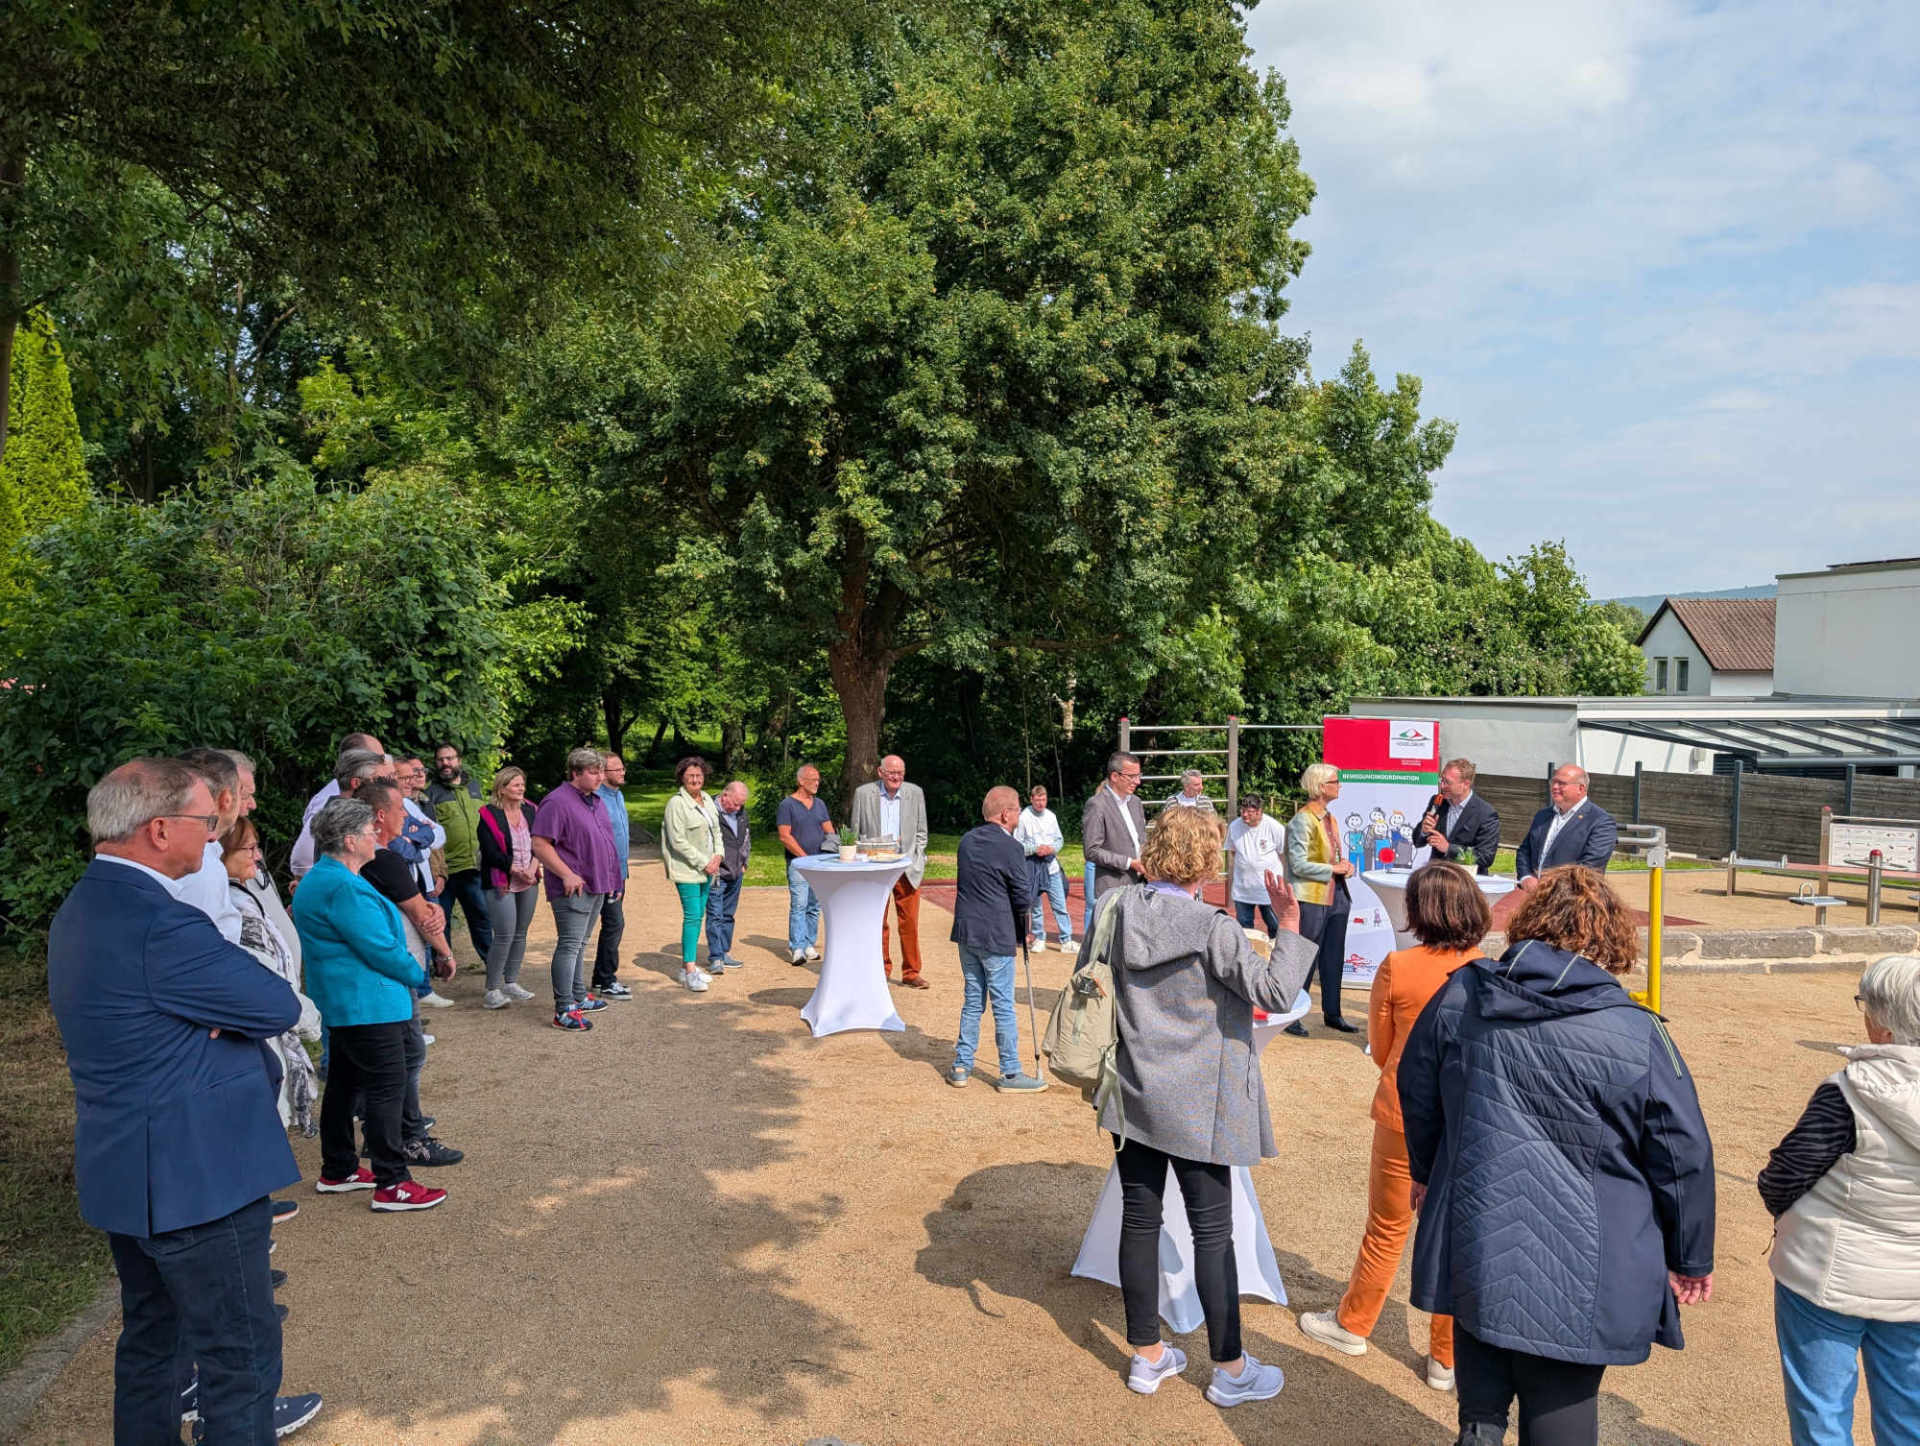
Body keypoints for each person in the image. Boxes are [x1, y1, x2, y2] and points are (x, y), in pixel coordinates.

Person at [48, 760, 325, 1444]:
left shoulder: (85, 906)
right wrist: (233, 1013)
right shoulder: (161, 923)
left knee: (154, 1343)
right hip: (199, 1177)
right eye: (207, 823)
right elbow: (270, 1002)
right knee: (241, 1355)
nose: (214, 838)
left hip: (131, 1170)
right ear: (159, 827)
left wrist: (217, 1013)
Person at [1398, 866, 1715, 1446]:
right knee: (1542, 1422)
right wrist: (1689, 1256)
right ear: (1608, 938)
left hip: (1483, 1236)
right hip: (1580, 1258)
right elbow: (1681, 1152)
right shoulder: (1631, 1032)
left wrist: (1427, 1172)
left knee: (1480, 1417)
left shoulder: (1463, 993)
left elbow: (1418, 1092)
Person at [1097, 805, 1318, 1407]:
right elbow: (1277, 990)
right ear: (1203, 859)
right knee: (1211, 1234)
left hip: (1136, 1088)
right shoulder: (1212, 926)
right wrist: (1291, 926)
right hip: (1201, 1098)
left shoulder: (1116, 910)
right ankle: (1230, 1367)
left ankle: (1146, 1355)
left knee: (1140, 1224)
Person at [1297, 863, 1492, 1389]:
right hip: (1469, 1121)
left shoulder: (1398, 966)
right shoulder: (1489, 971)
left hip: (1404, 1116)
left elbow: (1381, 1050)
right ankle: (1445, 1357)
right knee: (1456, 1233)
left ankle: (1353, 1322)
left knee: (1386, 1227)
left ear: (1419, 912)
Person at [1760, 953, 1920, 1446]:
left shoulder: (1848, 1093)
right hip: (1913, 1286)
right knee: (1908, 1416)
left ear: (1885, 1026)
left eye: (1867, 1007)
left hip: (1826, 1275)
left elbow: (1780, 1179)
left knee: (1821, 1414)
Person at [293, 797, 447, 1212]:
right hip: (369, 1001)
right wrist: (418, 975)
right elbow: (377, 947)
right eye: (367, 832)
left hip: (352, 1000)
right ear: (348, 840)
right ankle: (392, 1181)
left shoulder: (325, 878)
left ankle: (339, 1167)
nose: (375, 837)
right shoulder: (341, 885)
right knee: (385, 1089)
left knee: (345, 1085)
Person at [356, 781, 464, 1168]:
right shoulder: (383, 860)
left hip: (381, 970)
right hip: (395, 970)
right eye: (402, 809)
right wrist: (445, 951)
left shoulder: (364, 860)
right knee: (407, 1053)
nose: (409, 816)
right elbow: (420, 913)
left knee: (384, 1057)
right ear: (380, 815)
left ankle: (382, 1131)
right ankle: (408, 1136)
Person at [220, 814, 321, 1136]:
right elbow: (257, 970)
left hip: (277, 1020)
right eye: (249, 849)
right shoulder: (228, 907)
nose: (259, 856)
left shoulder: (241, 893)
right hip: (263, 1025)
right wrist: (301, 1015)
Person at [948, 786, 1040, 1091]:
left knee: (973, 1000)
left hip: (967, 931)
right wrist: (1024, 926)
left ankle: (962, 1064)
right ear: (1005, 813)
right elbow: (1022, 896)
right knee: (1003, 1004)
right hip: (995, 933)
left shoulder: (966, 841)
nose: (1018, 816)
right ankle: (1011, 1072)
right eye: (1016, 810)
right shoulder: (1011, 847)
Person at [530, 747, 622, 1029]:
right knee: (570, 944)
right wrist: (567, 874)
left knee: (581, 943)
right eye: (593, 772)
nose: (599, 778)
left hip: (597, 884)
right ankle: (564, 1008)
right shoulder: (557, 802)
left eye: (600, 772)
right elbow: (540, 844)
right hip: (573, 887)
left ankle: (579, 996)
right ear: (575, 773)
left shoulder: (594, 800)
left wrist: (615, 878)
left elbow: (607, 841)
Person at [1286, 762, 1359, 1035]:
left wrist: (1345, 867)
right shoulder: (1301, 820)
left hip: (1337, 895)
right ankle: (1292, 1014)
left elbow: (1333, 858)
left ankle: (1333, 1012)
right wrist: (1333, 869)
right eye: (1335, 781)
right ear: (1320, 786)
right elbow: (1297, 865)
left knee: (1333, 957)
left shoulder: (1330, 818)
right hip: (1312, 897)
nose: (1339, 785)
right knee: (1305, 957)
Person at [852, 754, 932, 987]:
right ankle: (881, 969)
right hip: (875, 867)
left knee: (910, 923)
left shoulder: (915, 793)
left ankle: (911, 973)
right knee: (878, 922)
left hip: (906, 867)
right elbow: (856, 832)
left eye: (900, 773)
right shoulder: (863, 794)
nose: (896, 777)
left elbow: (922, 832)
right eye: (892, 773)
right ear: (880, 772)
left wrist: (917, 856)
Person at [476, 766, 541, 1009]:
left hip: (530, 878)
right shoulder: (488, 814)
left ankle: (511, 981)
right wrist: (516, 870)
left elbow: (541, 842)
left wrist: (533, 868)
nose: (521, 788)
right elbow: (490, 852)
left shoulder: (532, 810)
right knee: (504, 935)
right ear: (502, 789)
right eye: (515, 784)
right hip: (500, 879)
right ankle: (491, 989)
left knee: (521, 932)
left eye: (522, 784)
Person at [173, 747, 249, 943]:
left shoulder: (166, 848)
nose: (251, 804)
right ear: (226, 800)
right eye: (243, 794)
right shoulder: (201, 865)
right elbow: (197, 948)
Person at [662, 754, 725, 992]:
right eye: (690, 776)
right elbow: (677, 841)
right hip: (688, 870)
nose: (695, 779)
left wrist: (718, 857)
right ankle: (689, 970)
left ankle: (688, 964)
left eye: (699, 775)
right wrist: (704, 862)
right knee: (692, 916)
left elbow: (717, 831)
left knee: (699, 917)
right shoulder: (676, 804)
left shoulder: (708, 799)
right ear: (682, 778)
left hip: (709, 867)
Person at [427, 742, 493, 960]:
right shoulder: (431, 794)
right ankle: (444, 964)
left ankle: (491, 960)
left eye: (450, 758)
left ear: (459, 761)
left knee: (481, 917)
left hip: (473, 866)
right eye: (441, 759)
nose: (445, 763)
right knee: (441, 920)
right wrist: (438, 871)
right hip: (444, 871)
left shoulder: (474, 787)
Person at [288, 733, 385, 879]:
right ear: (356, 783)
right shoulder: (330, 810)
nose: (381, 787)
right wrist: (313, 888)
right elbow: (301, 861)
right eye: (376, 779)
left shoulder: (347, 808)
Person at [1513, 765, 1617, 890]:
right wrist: (1526, 877)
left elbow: (1589, 868)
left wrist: (1548, 888)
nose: (1555, 787)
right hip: (1533, 897)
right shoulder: (1542, 816)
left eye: (1561, 783)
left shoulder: (1600, 821)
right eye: (1553, 782)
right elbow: (1524, 851)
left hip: (1572, 901)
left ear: (1581, 788)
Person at [778, 763, 837, 966]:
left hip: (820, 863)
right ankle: (797, 948)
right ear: (801, 781)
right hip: (799, 864)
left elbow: (829, 831)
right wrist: (804, 858)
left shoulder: (819, 804)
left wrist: (839, 846)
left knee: (814, 905)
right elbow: (785, 836)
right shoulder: (787, 805)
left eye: (818, 780)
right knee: (799, 905)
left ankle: (809, 943)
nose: (817, 784)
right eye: (814, 780)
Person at [589, 751, 636, 998]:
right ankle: (607, 980)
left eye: (622, 768)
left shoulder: (618, 795)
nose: (622, 772)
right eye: (617, 770)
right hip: (605, 876)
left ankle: (600, 977)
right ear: (604, 773)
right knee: (614, 923)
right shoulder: (597, 799)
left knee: (612, 925)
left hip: (619, 873)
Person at [1082, 750, 1148, 922]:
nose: (1137, 781)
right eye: (1132, 776)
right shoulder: (1097, 805)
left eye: (1138, 776)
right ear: (1114, 776)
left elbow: (1141, 840)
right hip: (1112, 887)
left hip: (1140, 885)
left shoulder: (1136, 803)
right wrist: (1130, 863)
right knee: (1112, 945)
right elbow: (1092, 851)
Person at [1013, 784, 1073, 952]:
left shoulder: (1051, 817)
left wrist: (1051, 848)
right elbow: (1017, 844)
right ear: (1031, 799)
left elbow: (1059, 840)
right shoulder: (1023, 817)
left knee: (1060, 904)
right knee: (1036, 905)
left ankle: (1066, 939)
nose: (1040, 803)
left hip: (1051, 866)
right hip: (1032, 867)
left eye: (1043, 800)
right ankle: (1039, 937)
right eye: (1037, 800)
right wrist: (1035, 849)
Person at [1416, 759, 1502, 875]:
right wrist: (1424, 831)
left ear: (1466, 784)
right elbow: (1417, 841)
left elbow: (1485, 857)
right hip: (1435, 879)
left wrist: (1448, 848)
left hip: (1465, 883)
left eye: (1447, 782)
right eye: (1441, 780)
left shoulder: (1486, 814)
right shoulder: (1437, 802)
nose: (1442, 786)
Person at [1226, 793, 1289, 937]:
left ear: (1260, 811)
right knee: (1245, 929)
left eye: (1249, 812)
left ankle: (1276, 956)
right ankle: (1247, 958)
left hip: (1268, 888)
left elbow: (1283, 853)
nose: (1245, 815)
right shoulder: (1234, 826)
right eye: (1242, 811)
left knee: (1275, 926)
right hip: (1243, 888)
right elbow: (1232, 851)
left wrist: (1283, 881)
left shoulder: (1273, 826)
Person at [706, 780, 752, 970]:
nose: (738, 808)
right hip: (717, 872)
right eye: (735, 804)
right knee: (715, 915)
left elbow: (747, 838)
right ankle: (716, 957)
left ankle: (725, 952)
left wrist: (744, 863)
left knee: (728, 914)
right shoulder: (709, 810)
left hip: (736, 872)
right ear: (725, 796)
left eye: (741, 804)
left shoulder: (741, 812)